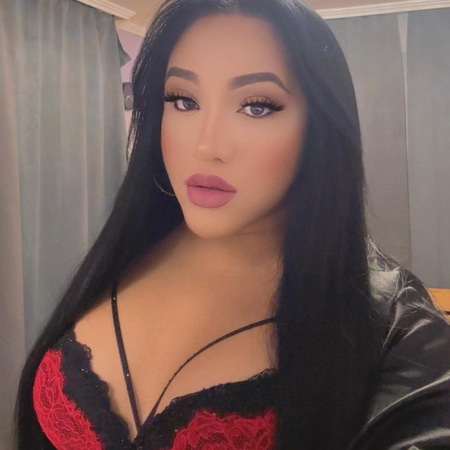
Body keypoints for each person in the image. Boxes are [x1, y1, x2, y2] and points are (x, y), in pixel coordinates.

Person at [15, 0, 450, 449]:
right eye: (183, 100)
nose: (206, 146)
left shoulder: (395, 327)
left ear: (319, 127)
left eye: (256, 107)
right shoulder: (132, 243)